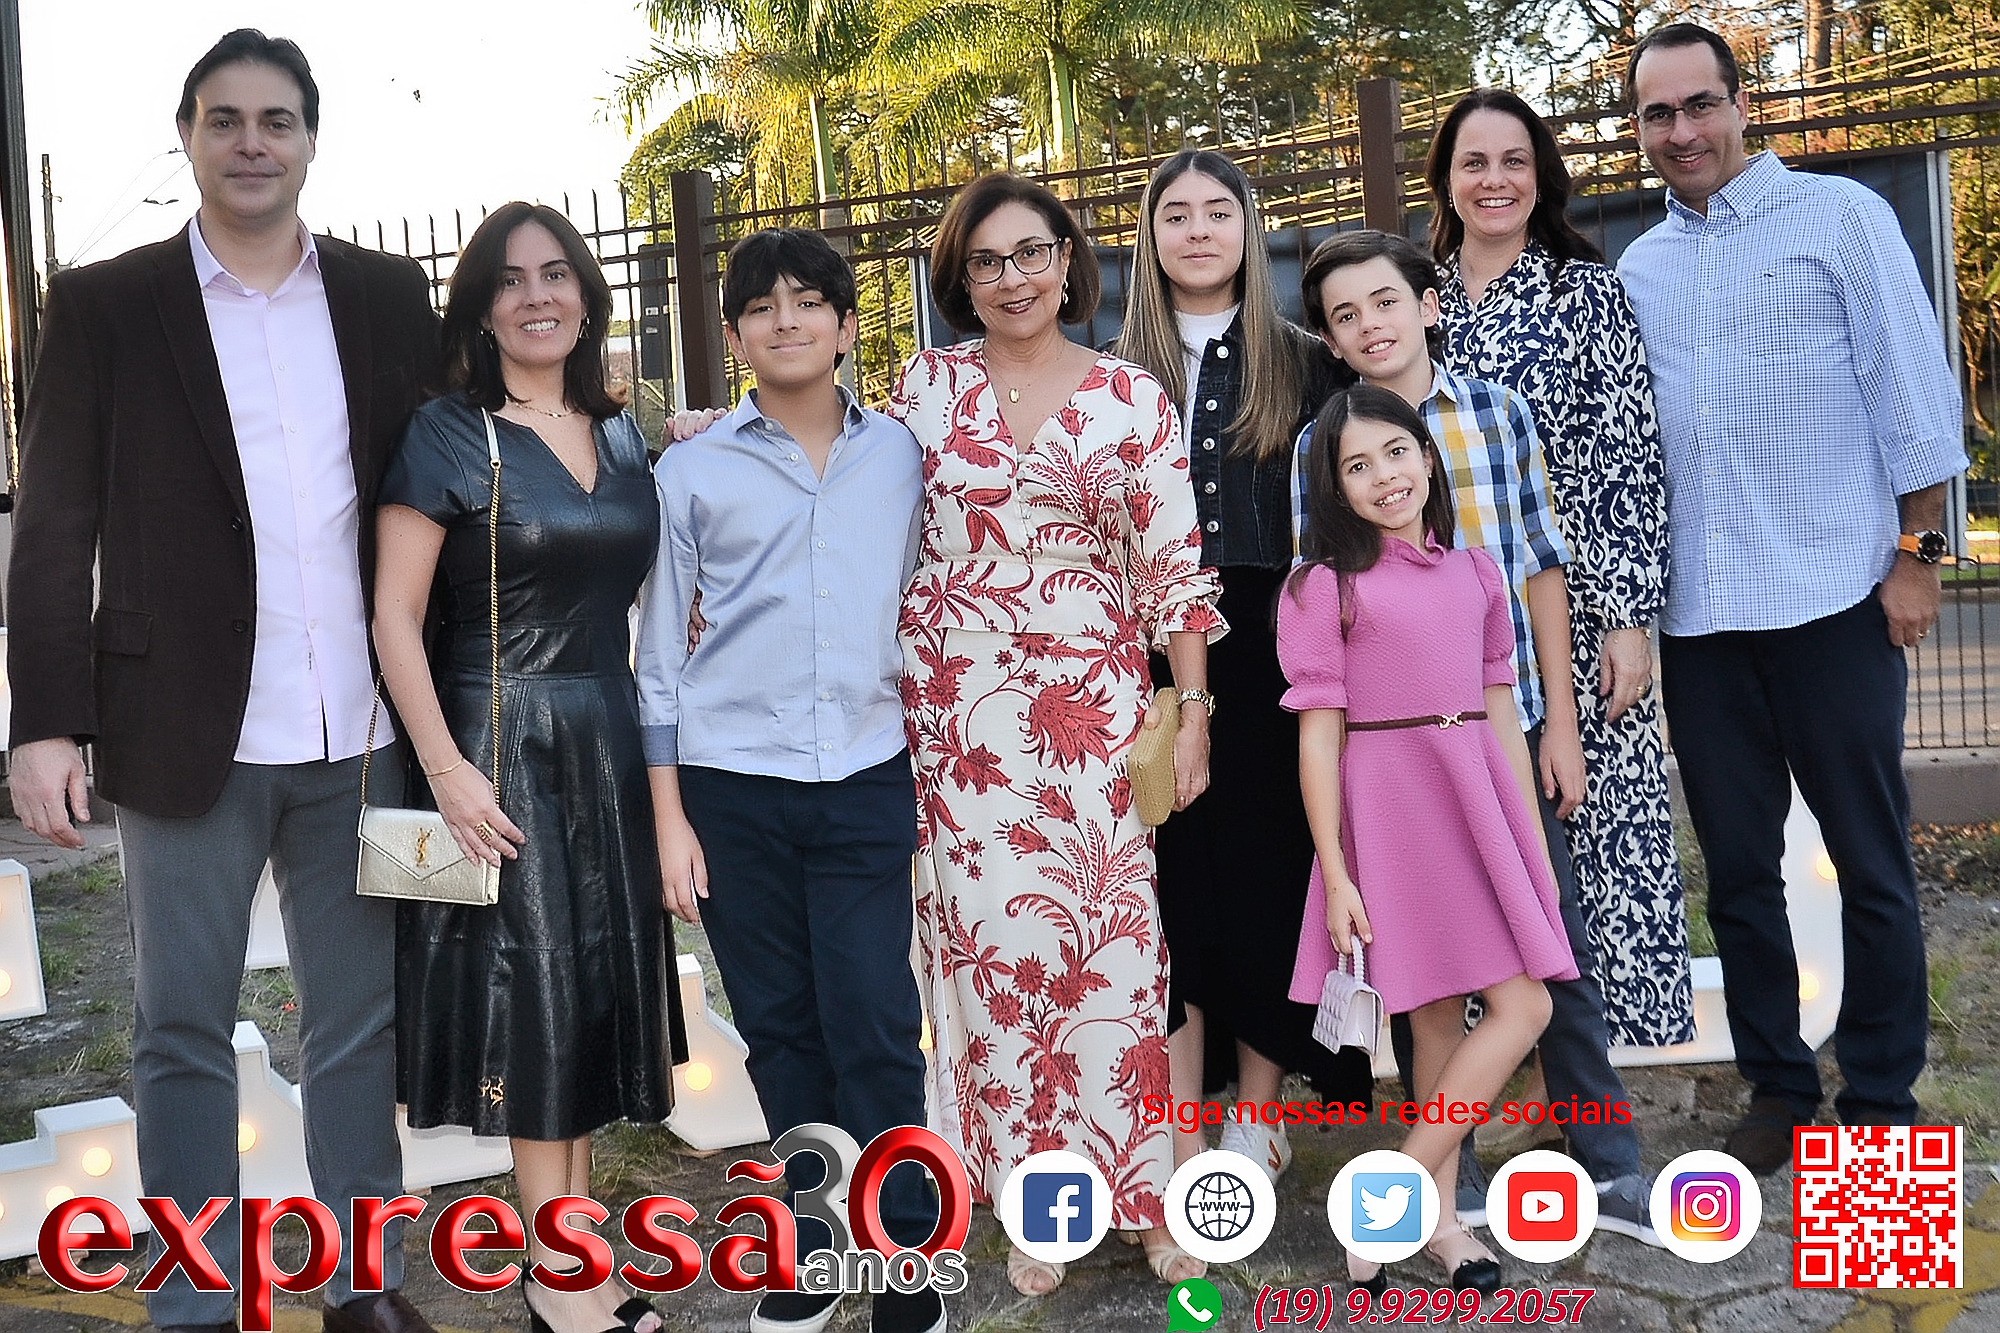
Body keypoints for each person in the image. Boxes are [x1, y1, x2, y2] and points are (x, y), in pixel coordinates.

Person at [6, 30, 443, 1333]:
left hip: (371, 732)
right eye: (226, 119)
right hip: (182, 731)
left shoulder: (385, 294)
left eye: (277, 120)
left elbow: (453, 468)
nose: (253, 142)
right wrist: (45, 721)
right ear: (189, 136)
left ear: (311, 140)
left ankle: (365, 1284)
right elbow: (55, 520)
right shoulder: (104, 303)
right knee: (180, 1028)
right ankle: (195, 1301)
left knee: (363, 1027)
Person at [1618, 23, 1967, 1171]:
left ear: (1738, 104)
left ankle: (1878, 1093)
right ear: (1637, 130)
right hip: (1702, 622)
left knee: (1868, 861)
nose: (1681, 131)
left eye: (1697, 104)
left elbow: (1913, 395)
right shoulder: (1638, 270)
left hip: (1832, 601)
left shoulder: (1839, 219)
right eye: (1656, 114)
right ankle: (1775, 1085)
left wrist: (1916, 553)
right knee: (1737, 873)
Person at [892, 173, 1225, 1296]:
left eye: (1030, 253)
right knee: (997, 969)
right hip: (959, 719)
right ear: (961, 279)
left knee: (1116, 959)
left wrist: (1192, 711)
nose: (1011, 278)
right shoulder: (925, 388)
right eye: (985, 262)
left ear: (1068, 260)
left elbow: (1176, 570)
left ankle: (1146, 1195)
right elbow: (840, 476)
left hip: (1093, 710)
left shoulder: (1132, 395)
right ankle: (1041, 1201)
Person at [1294, 230, 1662, 1246]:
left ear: (1427, 305)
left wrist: (1561, 727)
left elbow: (1538, 568)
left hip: (1499, 742)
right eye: (1344, 315)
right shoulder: (1321, 454)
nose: (1369, 325)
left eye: (1384, 301)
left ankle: (1608, 1163)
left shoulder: (1495, 416)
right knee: (1429, 993)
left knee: (1549, 956)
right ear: (1331, 341)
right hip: (1393, 771)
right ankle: (1444, 1199)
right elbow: (1326, 623)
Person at [373, 202, 685, 1333]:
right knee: (537, 1000)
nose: (536, 296)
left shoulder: (626, 435)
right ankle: (560, 1281)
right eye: (510, 280)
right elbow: (394, 616)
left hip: (606, 737)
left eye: (556, 274)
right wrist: (448, 770)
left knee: (587, 999)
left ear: (587, 299)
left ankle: (577, 1257)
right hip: (495, 743)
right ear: (481, 308)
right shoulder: (448, 434)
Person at [639, 228, 944, 1333]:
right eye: (761, 307)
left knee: (875, 1019)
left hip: (864, 771)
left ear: (847, 326)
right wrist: (669, 817)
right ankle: (811, 1250)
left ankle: (906, 1255)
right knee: (778, 1028)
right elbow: (658, 658)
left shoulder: (903, 454)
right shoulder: (691, 469)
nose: (786, 321)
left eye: (809, 301)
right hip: (731, 788)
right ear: (732, 337)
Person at [1110, 149, 1368, 1181]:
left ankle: (1256, 1114)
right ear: (1149, 237)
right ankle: (1178, 1118)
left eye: (1219, 211)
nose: (1199, 231)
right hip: (1140, 648)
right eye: (1176, 214)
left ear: (1249, 228)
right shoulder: (1110, 371)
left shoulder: (1305, 363)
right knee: (1168, 882)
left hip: (1271, 645)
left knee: (1269, 873)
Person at [1283, 385, 1570, 1295]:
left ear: (1428, 455)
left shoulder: (1477, 573)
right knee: (1436, 1017)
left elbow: (1501, 716)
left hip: (1475, 803)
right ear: (1334, 488)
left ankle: (1400, 1202)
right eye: (1357, 466)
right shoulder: (1323, 586)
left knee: (1520, 1006)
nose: (1384, 476)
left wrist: (1530, 853)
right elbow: (1318, 737)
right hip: (1389, 806)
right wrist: (1336, 872)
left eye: (1396, 452)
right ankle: (1432, 1218)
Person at [1427, 89, 1693, 1057]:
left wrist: (1625, 616)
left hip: (1574, 613)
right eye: (1473, 162)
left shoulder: (1586, 294)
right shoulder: (1413, 299)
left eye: (1513, 160)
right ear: (1445, 181)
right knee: (1477, 852)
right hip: (1451, 626)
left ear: (1540, 176)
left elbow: (1627, 458)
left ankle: (1586, 1079)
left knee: (1595, 840)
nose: (1494, 180)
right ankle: (1499, 1058)